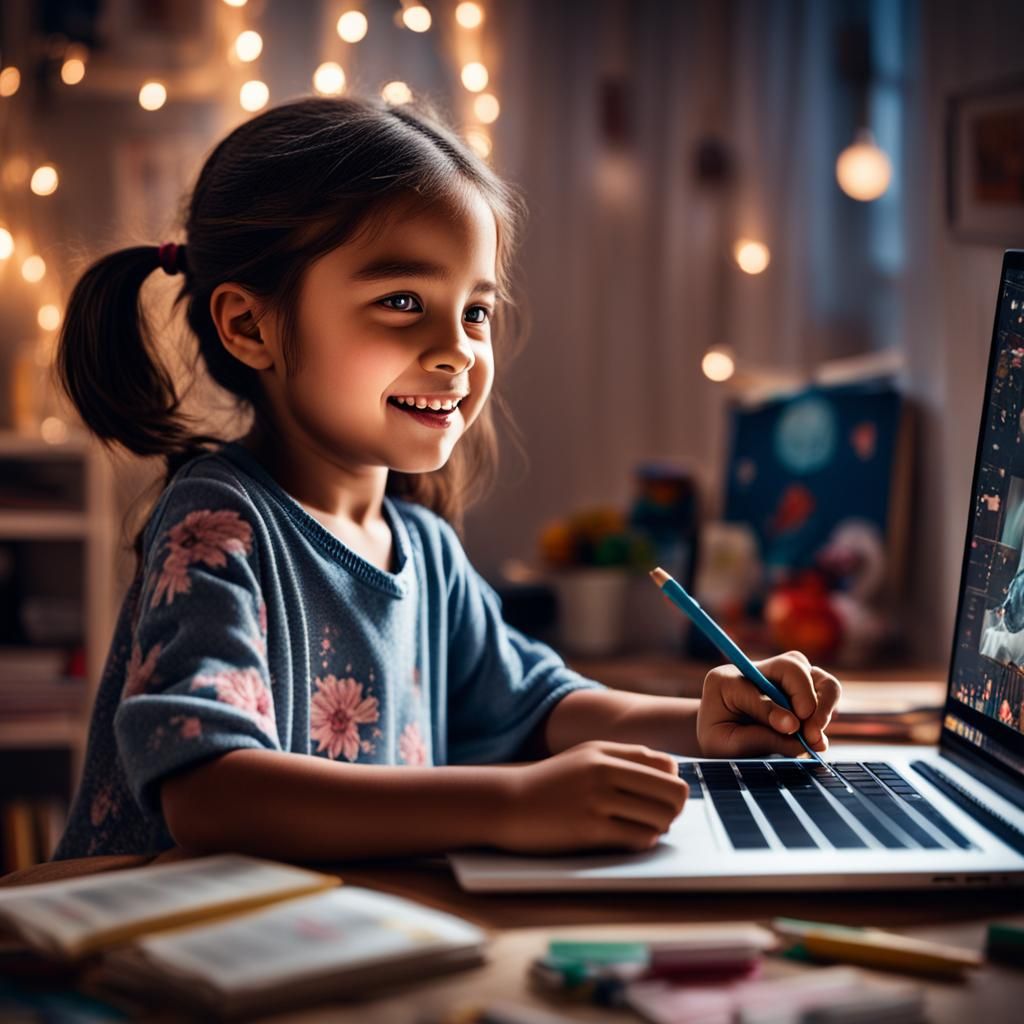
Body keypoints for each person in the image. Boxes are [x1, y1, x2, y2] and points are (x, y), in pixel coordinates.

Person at [52, 96, 839, 862]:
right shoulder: (218, 525)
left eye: (476, 312)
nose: (458, 351)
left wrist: (701, 720)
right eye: (402, 301)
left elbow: (541, 708)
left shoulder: (424, 549)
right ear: (249, 325)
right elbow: (209, 794)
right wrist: (509, 805)